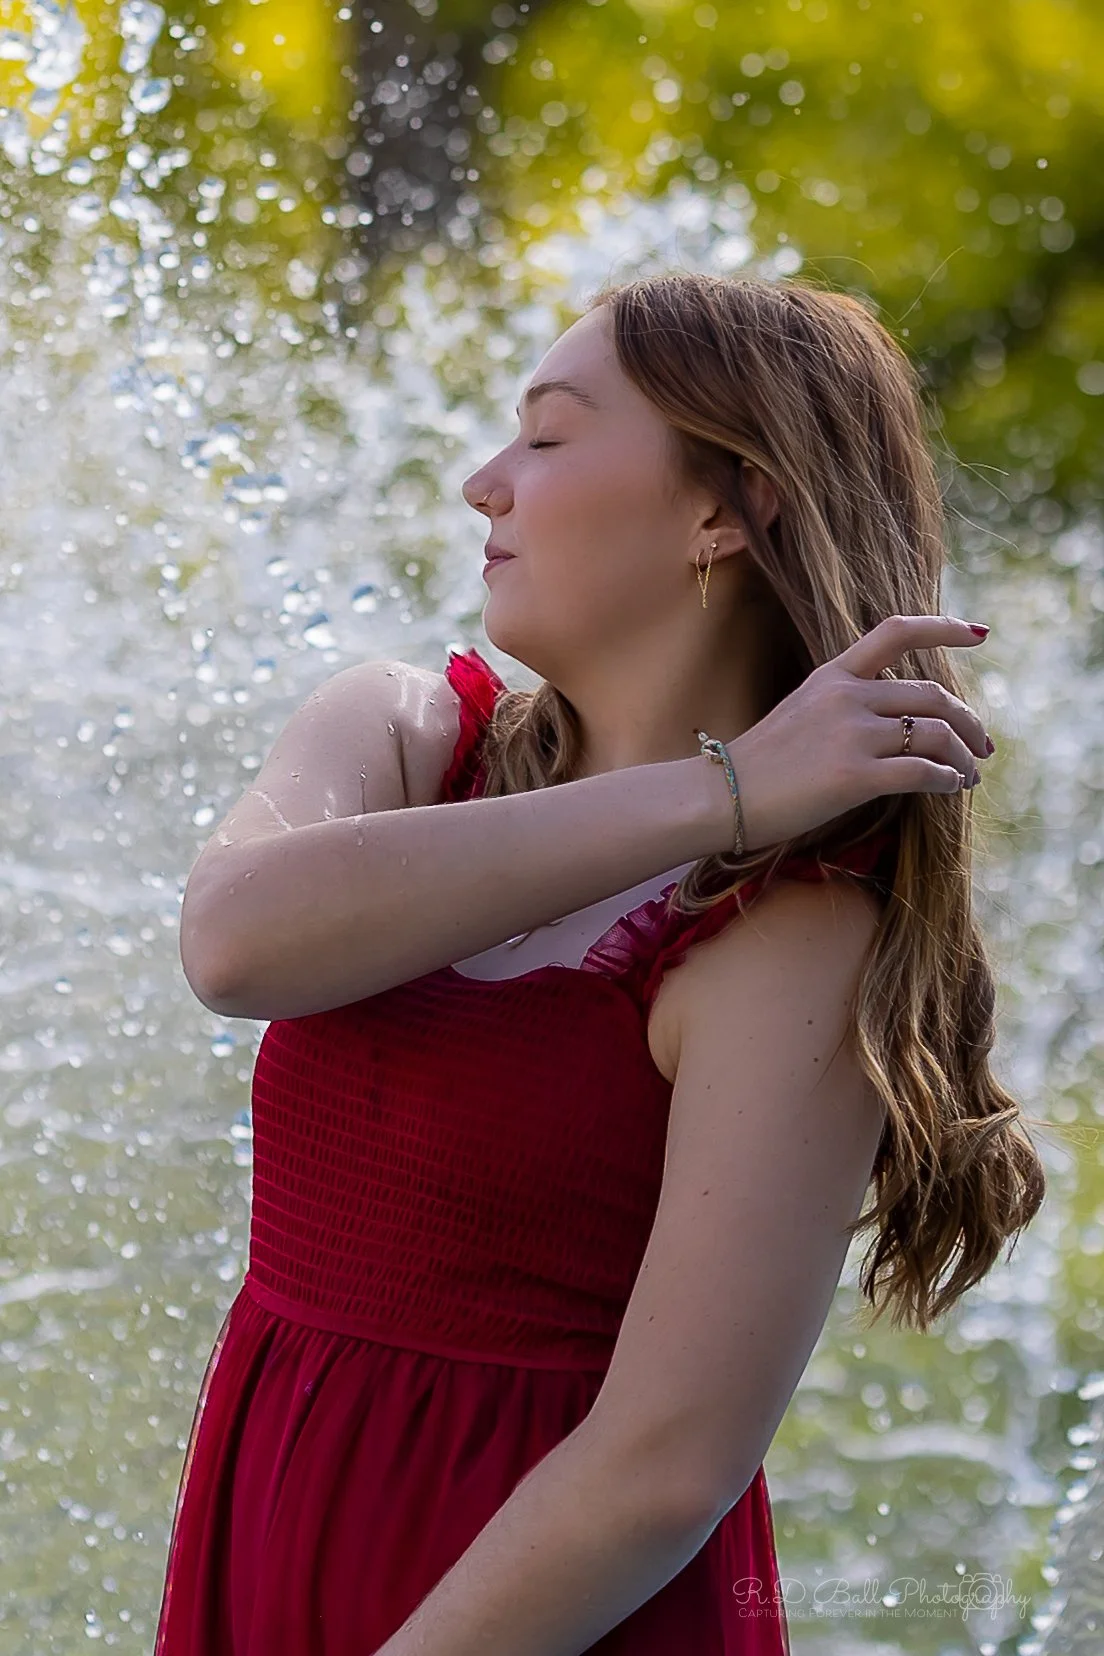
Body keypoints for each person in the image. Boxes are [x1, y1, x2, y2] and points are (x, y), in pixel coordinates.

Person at [158, 271, 1046, 1655]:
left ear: (723, 506)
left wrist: (742, 815)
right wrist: (725, 789)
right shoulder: (402, 740)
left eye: (549, 437)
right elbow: (234, 943)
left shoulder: (791, 931)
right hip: (276, 1545)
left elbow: (667, 1464)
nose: (482, 483)